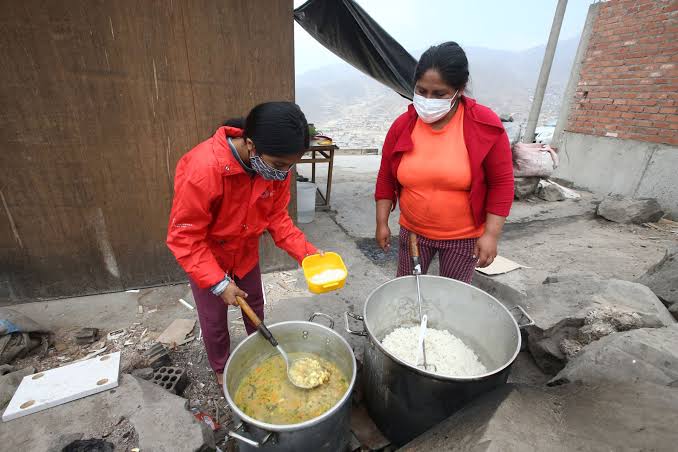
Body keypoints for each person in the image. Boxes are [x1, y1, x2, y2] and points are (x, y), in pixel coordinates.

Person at [167, 102, 318, 385]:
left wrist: (309, 255)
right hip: (206, 257)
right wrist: (219, 282)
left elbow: (278, 219)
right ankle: (222, 368)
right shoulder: (203, 169)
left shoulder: (276, 169)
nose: (283, 174)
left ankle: (262, 351)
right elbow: (184, 236)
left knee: (254, 304)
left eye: (290, 166)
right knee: (214, 318)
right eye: (279, 165)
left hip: (245, 252)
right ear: (251, 144)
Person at [375, 42, 514, 283]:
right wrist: (381, 222)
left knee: (453, 298)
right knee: (409, 292)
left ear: (459, 89)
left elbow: (501, 183)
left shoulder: (484, 123)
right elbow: (386, 176)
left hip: (463, 238)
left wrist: (491, 234)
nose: (428, 100)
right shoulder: (403, 126)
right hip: (413, 234)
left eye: (439, 94)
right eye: (421, 91)